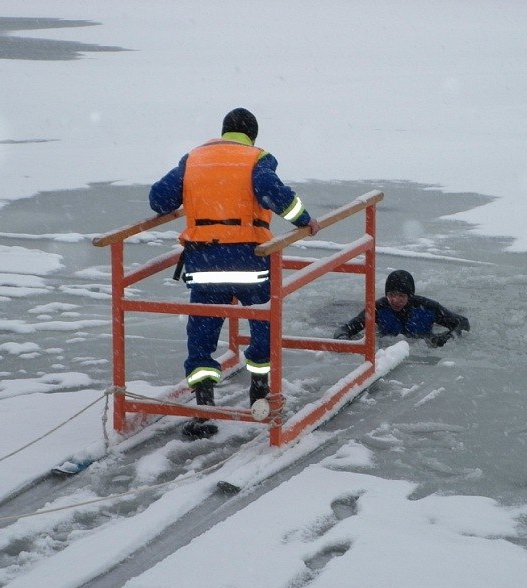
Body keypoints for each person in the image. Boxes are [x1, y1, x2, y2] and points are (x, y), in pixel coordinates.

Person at [149, 107, 321, 439]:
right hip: (249, 261)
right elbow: (273, 194)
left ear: (223, 131)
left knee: (202, 331)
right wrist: (305, 220)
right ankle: (259, 388)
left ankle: (203, 405)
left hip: (203, 263)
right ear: (252, 136)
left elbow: (159, 200)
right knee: (262, 322)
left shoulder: (193, 159)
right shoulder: (256, 158)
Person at [333, 269, 469, 347]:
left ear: (410, 296)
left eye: (401, 296)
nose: (395, 300)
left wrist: (445, 338)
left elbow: (462, 323)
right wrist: (343, 339)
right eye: (391, 295)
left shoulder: (428, 307)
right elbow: (346, 329)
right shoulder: (379, 308)